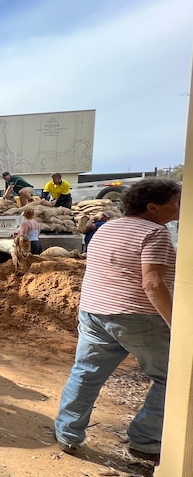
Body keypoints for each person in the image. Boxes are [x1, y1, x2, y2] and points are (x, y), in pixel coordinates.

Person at [54, 178, 179, 460]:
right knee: (170, 377)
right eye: (176, 201)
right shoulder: (155, 234)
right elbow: (153, 284)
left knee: (86, 373)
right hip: (138, 317)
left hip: (94, 311)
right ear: (153, 207)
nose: (180, 206)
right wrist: (177, 324)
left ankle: (68, 433)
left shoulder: (107, 228)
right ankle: (146, 440)